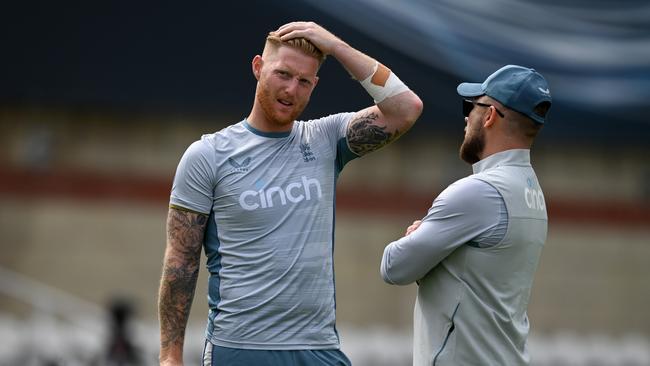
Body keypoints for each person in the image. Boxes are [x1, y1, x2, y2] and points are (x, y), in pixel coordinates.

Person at [158, 21, 423, 366]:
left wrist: (335, 46)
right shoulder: (208, 155)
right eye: (282, 74)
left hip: (318, 348)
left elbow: (406, 108)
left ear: (314, 85)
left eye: (304, 81)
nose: (291, 89)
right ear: (258, 67)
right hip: (240, 348)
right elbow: (181, 261)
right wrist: (169, 357)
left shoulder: (326, 139)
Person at [380, 65, 552, 365]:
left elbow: (394, 267)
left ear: (489, 116)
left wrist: (420, 238)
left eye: (471, 106)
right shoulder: (533, 191)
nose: (466, 115)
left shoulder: (477, 192)